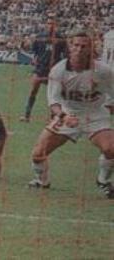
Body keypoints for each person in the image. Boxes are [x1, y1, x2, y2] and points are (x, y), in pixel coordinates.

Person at [28, 29, 113, 198]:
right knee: (38, 154)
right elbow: (53, 101)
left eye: (84, 46)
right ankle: (42, 181)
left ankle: (103, 180)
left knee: (111, 148)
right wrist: (63, 116)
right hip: (68, 114)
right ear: (70, 46)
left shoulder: (104, 71)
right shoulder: (58, 70)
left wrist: (109, 107)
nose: (79, 49)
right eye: (76, 45)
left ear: (90, 48)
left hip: (95, 115)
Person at [20, 17, 66, 122]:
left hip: (53, 70)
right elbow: (35, 51)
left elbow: (64, 54)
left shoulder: (61, 39)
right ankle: (26, 115)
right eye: (49, 23)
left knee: (53, 94)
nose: (51, 26)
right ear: (46, 24)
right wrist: (35, 59)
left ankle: (52, 118)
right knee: (33, 90)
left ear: (56, 25)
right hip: (40, 68)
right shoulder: (40, 37)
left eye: (53, 24)